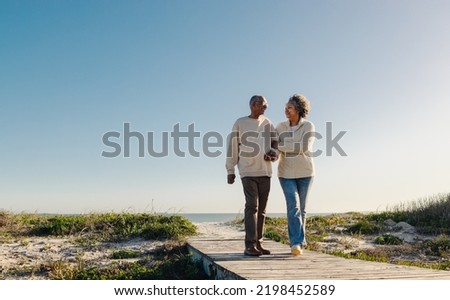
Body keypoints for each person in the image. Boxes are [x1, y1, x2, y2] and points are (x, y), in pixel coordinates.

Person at [226, 95, 278, 256]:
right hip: (247, 171)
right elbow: (232, 147)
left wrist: (273, 152)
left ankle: (259, 244)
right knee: (252, 206)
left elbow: (276, 142)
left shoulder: (267, 122)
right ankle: (249, 245)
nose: (265, 108)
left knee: (262, 210)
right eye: (263, 105)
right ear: (254, 105)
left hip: (265, 171)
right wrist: (230, 170)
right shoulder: (240, 123)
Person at [276, 94, 315, 256]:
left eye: (289, 107)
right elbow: (276, 148)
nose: (286, 109)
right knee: (294, 206)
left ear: (298, 109)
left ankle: (301, 241)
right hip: (285, 173)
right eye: (286, 106)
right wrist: (274, 150)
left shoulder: (308, 126)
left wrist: (281, 145)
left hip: (306, 172)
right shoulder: (280, 127)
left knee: (302, 209)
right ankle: (296, 243)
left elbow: (303, 147)